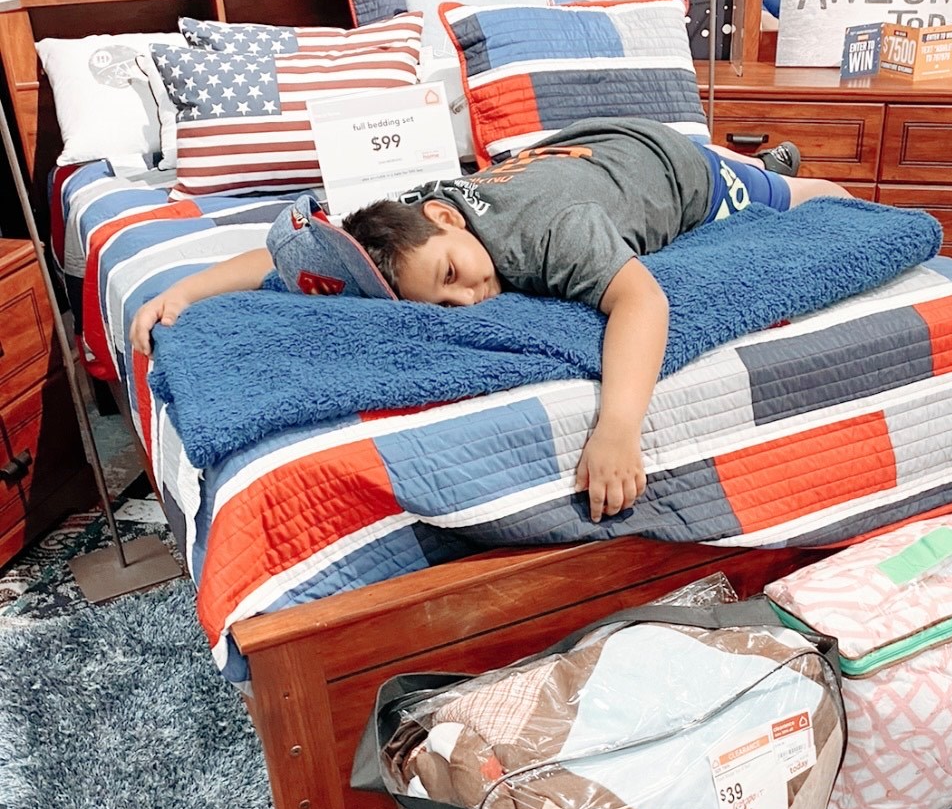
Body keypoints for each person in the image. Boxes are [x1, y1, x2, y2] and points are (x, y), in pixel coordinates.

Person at [130, 119, 852, 522]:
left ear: (445, 219)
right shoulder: (419, 216)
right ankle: (760, 153)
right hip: (587, 147)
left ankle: (770, 169)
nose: (469, 298)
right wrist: (189, 287)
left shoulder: (552, 235)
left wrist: (617, 429)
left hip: (673, 171)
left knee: (798, 195)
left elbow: (643, 301)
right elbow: (293, 260)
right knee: (732, 161)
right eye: (443, 304)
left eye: (452, 276)